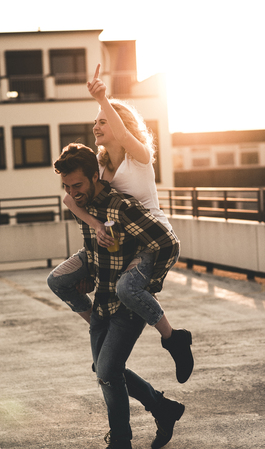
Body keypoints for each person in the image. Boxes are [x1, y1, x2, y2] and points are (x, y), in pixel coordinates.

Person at [47, 143, 187, 449]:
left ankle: (121, 444)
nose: (72, 192)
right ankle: (162, 407)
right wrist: (88, 279)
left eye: (77, 185)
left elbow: (167, 242)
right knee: (104, 369)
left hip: (125, 307)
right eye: (66, 187)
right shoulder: (85, 208)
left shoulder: (120, 207)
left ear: (95, 176)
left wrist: (145, 285)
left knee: (108, 371)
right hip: (100, 304)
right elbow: (92, 250)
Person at [62, 64, 193, 384]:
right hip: (122, 243)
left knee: (126, 288)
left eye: (102, 121)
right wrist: (95, 224)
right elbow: (70, 201)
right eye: (94, 121)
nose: (96, 126)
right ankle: (99, 324)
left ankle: (174, 338)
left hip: (151, 240)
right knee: (62, 282)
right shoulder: (103, 169)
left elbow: (121, 133)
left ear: (120, 124)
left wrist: (103, 98)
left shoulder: (140, 155)